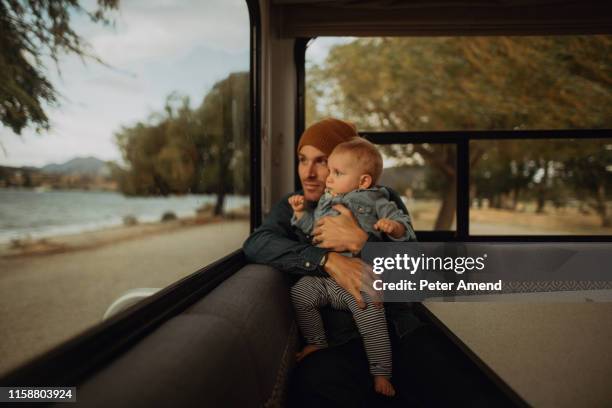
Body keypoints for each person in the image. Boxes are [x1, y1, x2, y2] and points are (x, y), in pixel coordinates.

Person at [288, 137, 413, 397]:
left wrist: (392, 228)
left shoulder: (377, 198)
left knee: (372, 322)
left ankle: (381, 372)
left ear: (363, 181)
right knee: (300, 293)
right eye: (329, 171)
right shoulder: (324, 201)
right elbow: (314, 229)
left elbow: (404, 234)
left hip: (363, 281)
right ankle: (316, 342)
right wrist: (301, 216)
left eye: (336, 172)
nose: (327, 178)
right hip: (330, 281)